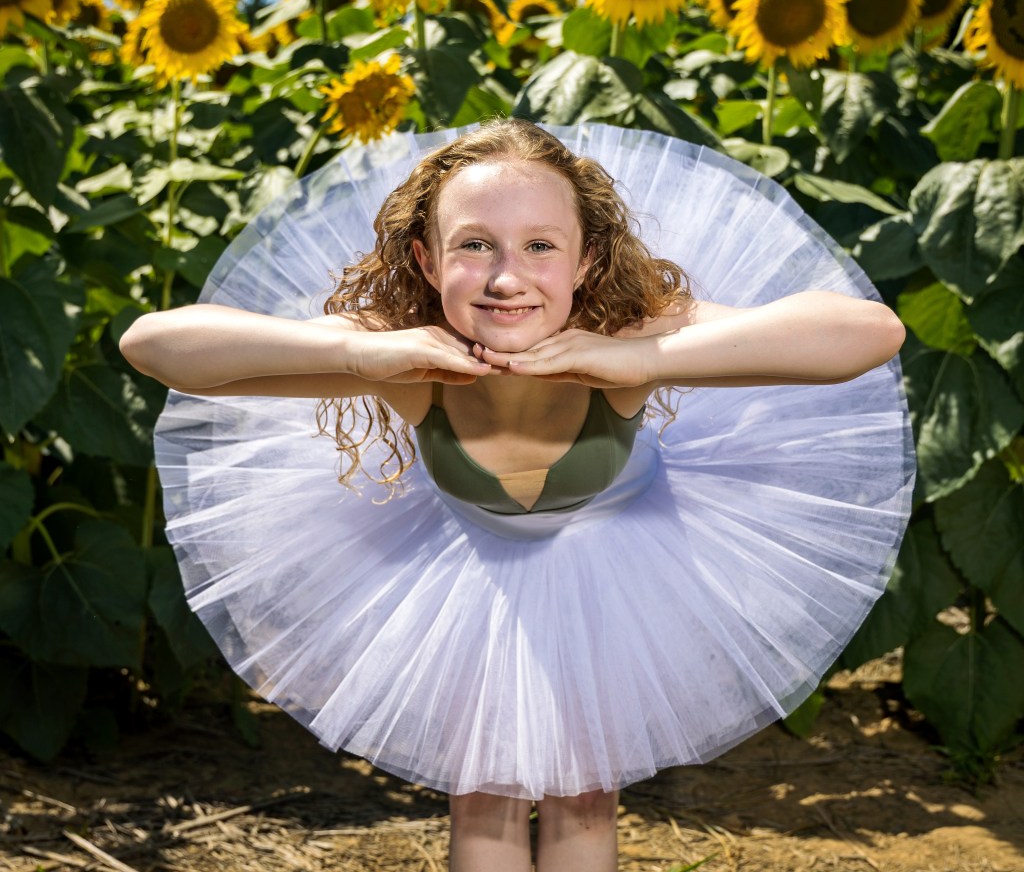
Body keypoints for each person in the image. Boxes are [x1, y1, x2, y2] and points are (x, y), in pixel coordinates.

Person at [121, 119, 914, 872]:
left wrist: (644, 358)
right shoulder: (411, 356)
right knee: (485, 795)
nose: (507, 277)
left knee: (584, 797)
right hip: (472, 574)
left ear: (587, 263)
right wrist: (361, 354)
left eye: (541, 246)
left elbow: (868, 333)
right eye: (473, 245)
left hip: (620, 565)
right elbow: (154, 345)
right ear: (427, 263)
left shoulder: (633, 332)